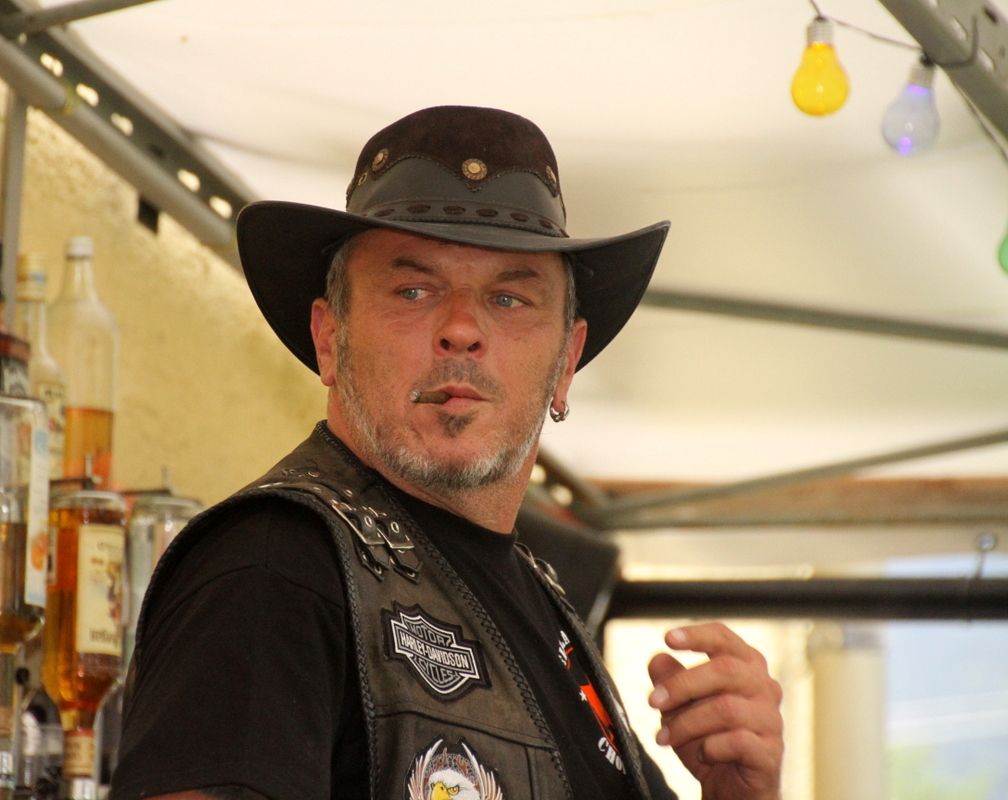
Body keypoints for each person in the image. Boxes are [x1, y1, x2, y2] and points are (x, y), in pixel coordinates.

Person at [111, 105, 783, 800]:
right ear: (330, 339)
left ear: (566, 362)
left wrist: (739, 794)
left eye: (509, 299)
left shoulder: (548, 609)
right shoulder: (274, 564)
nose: (462, 328)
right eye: (413, 289)